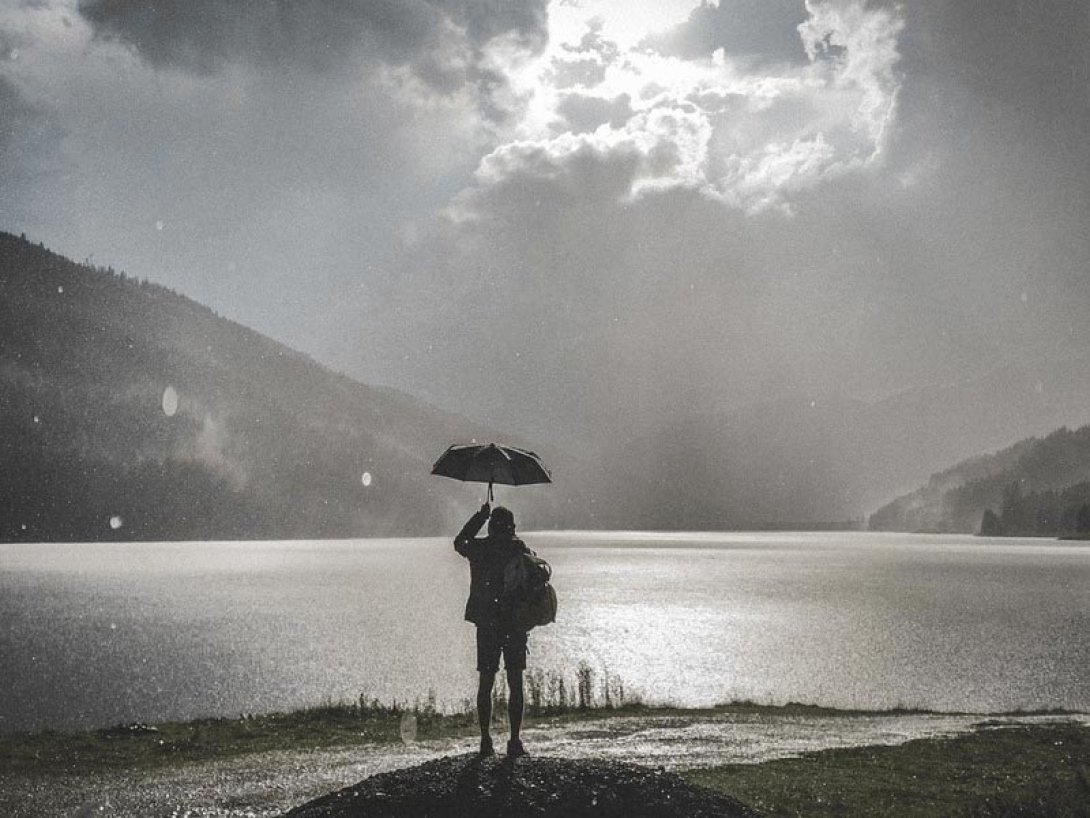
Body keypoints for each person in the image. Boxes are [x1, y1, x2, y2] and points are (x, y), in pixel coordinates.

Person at [454, 501, 532, 759]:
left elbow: (459, 542)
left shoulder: (479, 549)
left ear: (490, 527)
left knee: (486, 682)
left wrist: (480, 516)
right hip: (513, 624)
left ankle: (485, 740)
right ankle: (514, 740)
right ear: (511, 527)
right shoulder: (518, 549)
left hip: (487, 624)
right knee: (515, 682)